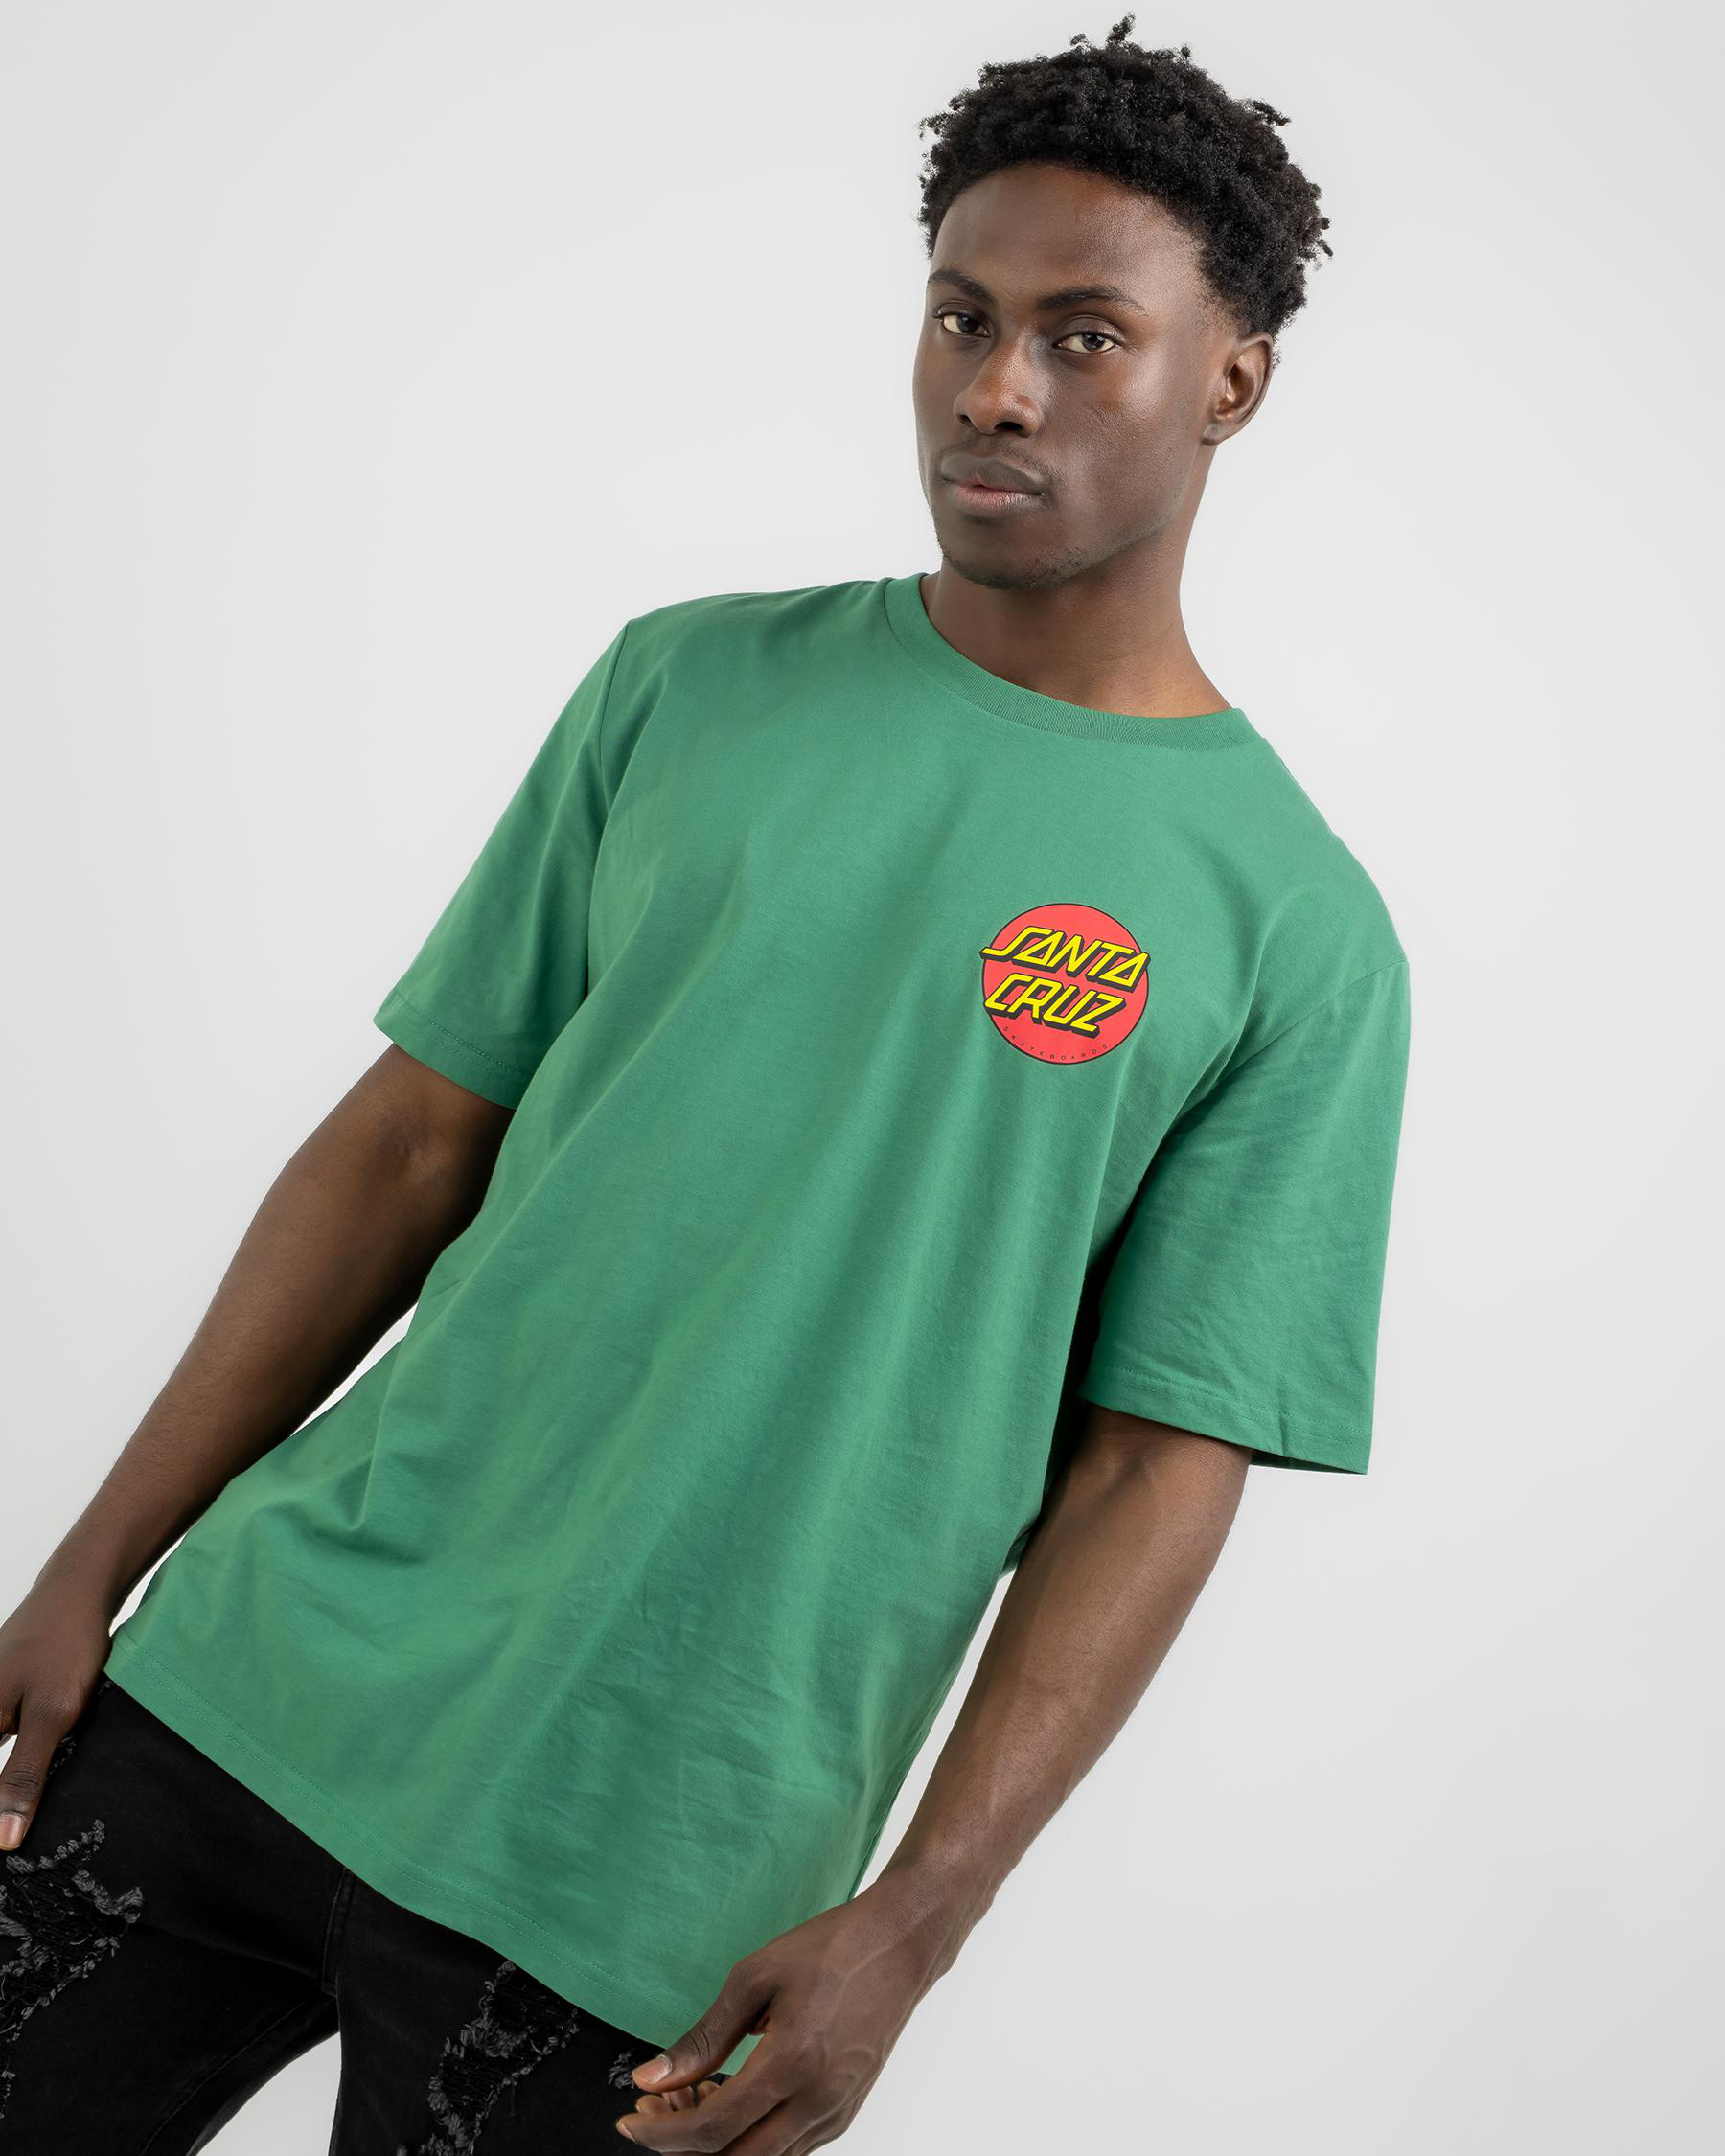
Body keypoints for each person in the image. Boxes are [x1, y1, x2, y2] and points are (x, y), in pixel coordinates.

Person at [0, 19, 1411, 2152]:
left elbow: (1155, 1471)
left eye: (1083, 336)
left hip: (647, 1884)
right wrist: (93, 1560)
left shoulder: (1294, 929)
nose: (994, 388)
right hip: (252, 1695)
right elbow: (409, 1142)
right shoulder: (687, 682)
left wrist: (919, 1921)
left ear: (1232, 380)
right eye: (961, 315)